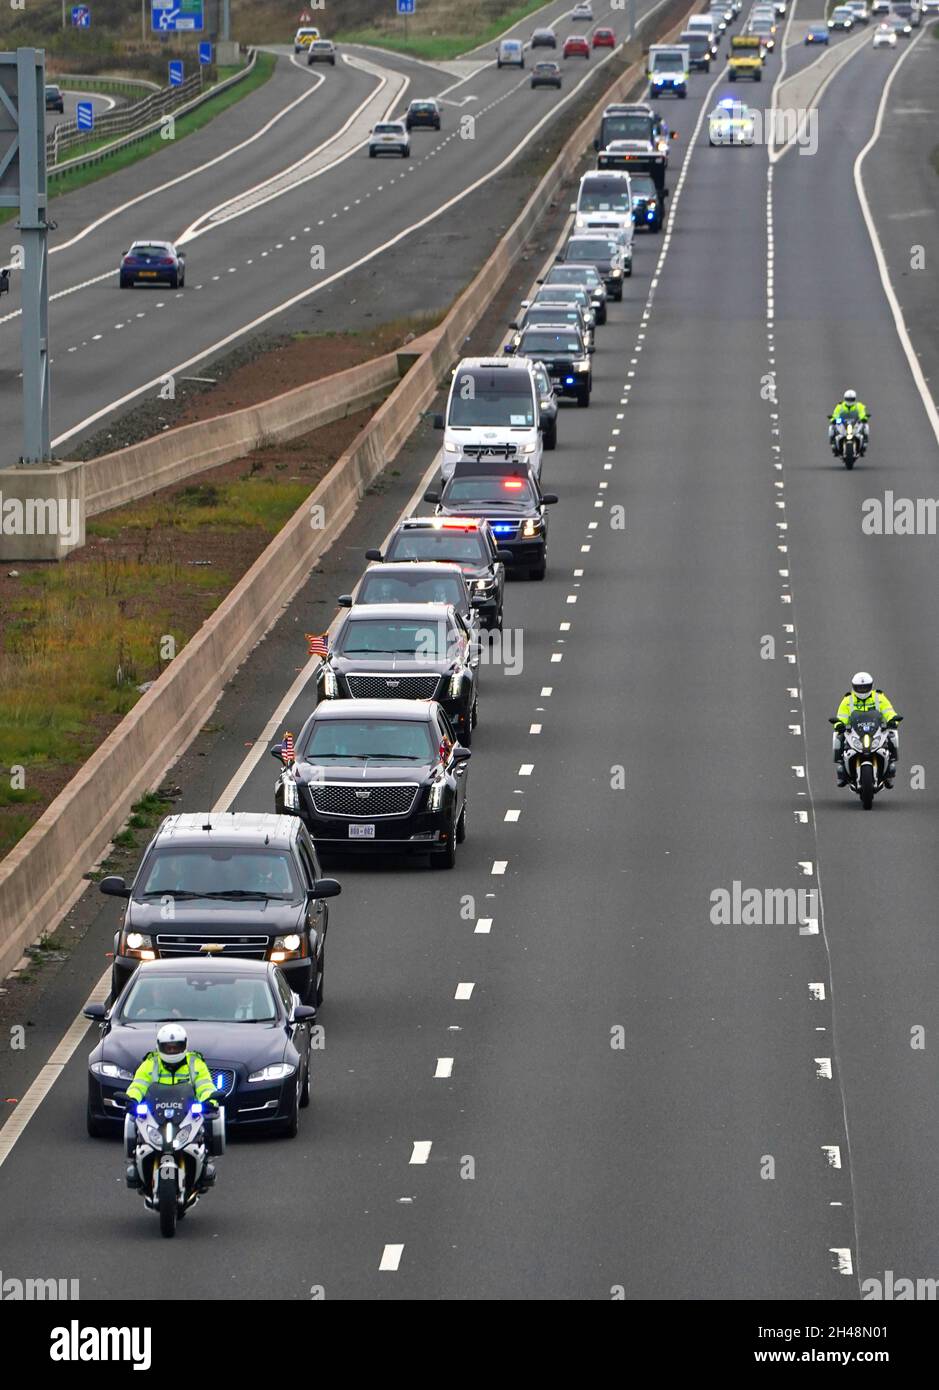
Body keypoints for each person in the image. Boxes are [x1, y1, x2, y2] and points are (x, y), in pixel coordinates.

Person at [125, 1024, 218, 1189]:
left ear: (185, 1046)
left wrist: (209, 1100)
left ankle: (205, 1163)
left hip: (186, 1113)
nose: (172, 1051)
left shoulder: (194, 1063)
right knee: (132, 1121)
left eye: (177, 1047)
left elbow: (205, 1086)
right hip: (156, 1114)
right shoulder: (150, 1063)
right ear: (159, 1046)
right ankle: (135, 1163)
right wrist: (132, 1099)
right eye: (168, 1047)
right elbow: (138, 1085)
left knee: (212, 1120)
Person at [832, 672, 900, 788]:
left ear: (871, 686)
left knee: (892, 735)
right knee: (838, 737)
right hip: (854, 731)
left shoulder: (879, 697)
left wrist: (893, 720)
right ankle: (842, 771)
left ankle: (889, 771)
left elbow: (889, 711)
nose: (862, 690)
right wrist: (839, 724)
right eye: (859, 687)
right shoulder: (848, 700)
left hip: (876, 729)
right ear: (854, 687)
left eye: (865, 687)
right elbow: (841, 717)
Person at [829, 389, 870, 455]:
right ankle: (833, 444)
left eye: (851, 399)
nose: (850, 401)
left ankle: (864, 444)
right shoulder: (840, 406)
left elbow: (862, 413)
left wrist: (864, 418)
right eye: (848, 399)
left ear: (855, 398)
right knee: (832, 427)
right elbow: (835, 414)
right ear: (845, 398)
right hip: (843, 422)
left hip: (855, 422)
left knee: (865, 426)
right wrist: (834, 419)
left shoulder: (859, 405)